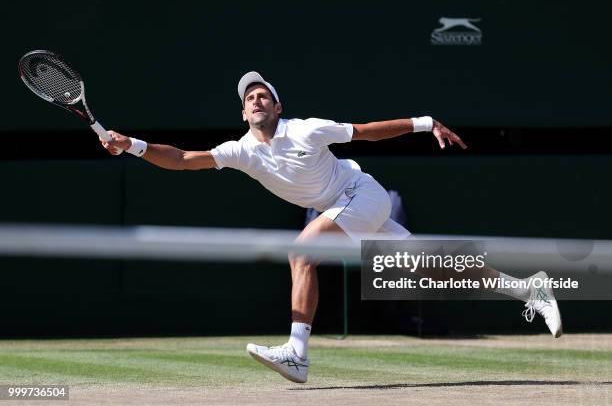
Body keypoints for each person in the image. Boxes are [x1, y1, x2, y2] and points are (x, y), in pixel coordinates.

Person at [101, 71, 562, 384]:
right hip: (348, 210)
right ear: (243, 113)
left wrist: (425, 123)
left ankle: (297, 351)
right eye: (249, 97)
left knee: (301, 251)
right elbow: (182, 160)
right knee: (436, 267)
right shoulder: (240, 151)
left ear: (278, 106)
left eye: (263, 95)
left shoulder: (306, 129)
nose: (256, 100)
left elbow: (365, 131)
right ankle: (529, 291)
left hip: (363, 195)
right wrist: (134, 146)